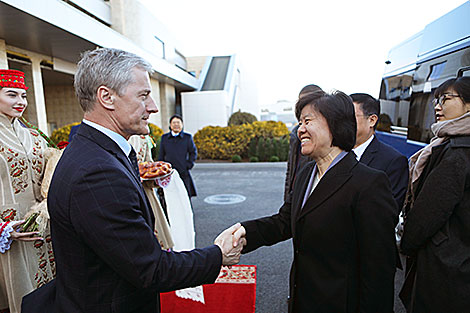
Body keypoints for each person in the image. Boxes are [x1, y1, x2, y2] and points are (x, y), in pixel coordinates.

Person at [22, 48, 244, 313]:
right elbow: (151, 269)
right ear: (106, 97)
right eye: (143, 95)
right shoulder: (97, 173)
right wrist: (218, 255)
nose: (153, 106)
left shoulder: (93, 150)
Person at [232, 90, 398, 313]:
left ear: (335, 125)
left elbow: (378, 272)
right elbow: (284, 222)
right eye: (300, 122)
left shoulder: (368, 183)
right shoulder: (307, 173)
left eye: (307, 121)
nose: (300, 129)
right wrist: (243, 233)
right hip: (303, 301)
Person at [399, 77, 470, 313]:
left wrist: (406, 242)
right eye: (436, 100)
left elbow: (429, 212)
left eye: (445, 99)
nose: (437, 106)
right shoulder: (452, 144)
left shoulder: (457, 152)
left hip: (447, 264)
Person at [0, 69, 56, 313]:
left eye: (23, 95)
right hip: (9, 232)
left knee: (50, 293)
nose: (21, 102)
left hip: (43, 226)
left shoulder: (34, 135)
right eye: (12, 95)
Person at [350, 93, 409, 211]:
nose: (343, 123)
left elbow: (387, 213)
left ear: (372, 120)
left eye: (351, 117)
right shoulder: (334, 152)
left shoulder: (393, 162)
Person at [284, 84, 323, 202]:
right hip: (294, 195)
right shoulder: (296, 134)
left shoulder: (325, 138)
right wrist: (287, 198)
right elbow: (290, 170)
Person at [158, 115, 197, 197]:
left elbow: (193, 152)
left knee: (185, 196)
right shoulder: (165, 138)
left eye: (178, 122)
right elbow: (161, 155)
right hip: (168, 173)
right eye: (174, 123)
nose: (176, 125)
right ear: (170, 125)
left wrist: (188, 165)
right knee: (170, 197)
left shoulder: (187, 137)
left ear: (182, 124)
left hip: (183, 172)